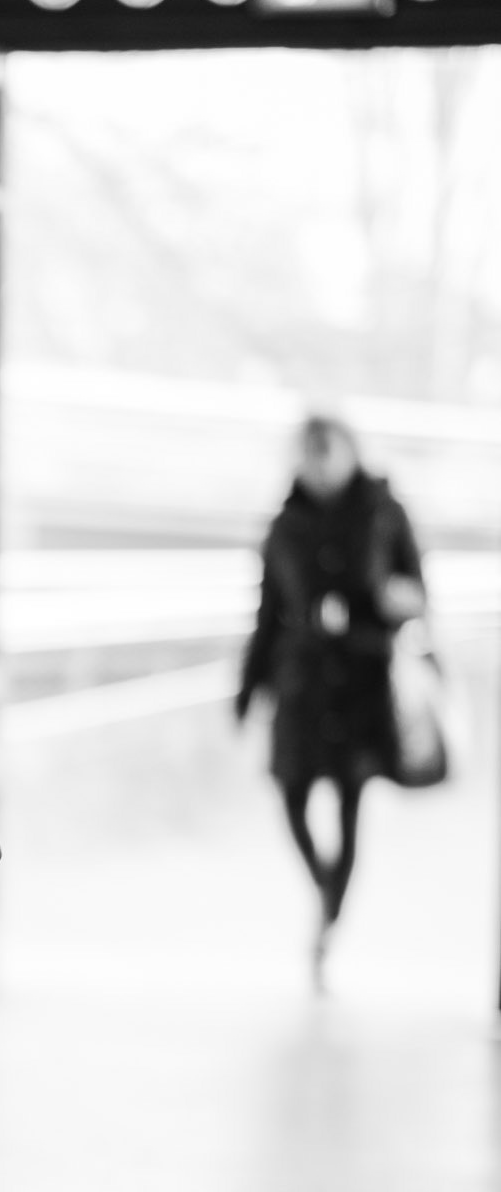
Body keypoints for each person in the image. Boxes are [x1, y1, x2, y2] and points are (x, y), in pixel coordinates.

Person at [235, 413, 426, 982]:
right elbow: (267, 616)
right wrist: (248, 691)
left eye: (327, 452)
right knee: (291, 792)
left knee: (348, 803)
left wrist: (385, 602)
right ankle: (324, 894)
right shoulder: (284, 525)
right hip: (302, 681)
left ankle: (329, 922)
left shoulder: (384, 512)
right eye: (309, 454)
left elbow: (419, 592)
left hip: (364, 680)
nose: (319, 465)